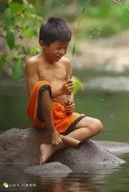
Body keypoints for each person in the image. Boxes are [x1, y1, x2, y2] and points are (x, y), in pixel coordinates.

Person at [25, 17, 103, 164]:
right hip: (41, 115)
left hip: (62, 115)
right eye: (58, 47)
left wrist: (70, 102)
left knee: (96, 125)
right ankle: (53, 133)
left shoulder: (66, 63)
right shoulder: (33, 63)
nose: (62, 52)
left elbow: (69, 90)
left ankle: (53, 147)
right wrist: (60, 91)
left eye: (65, 48)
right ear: (43, 44)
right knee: (43, 86)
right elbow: (34, 96)